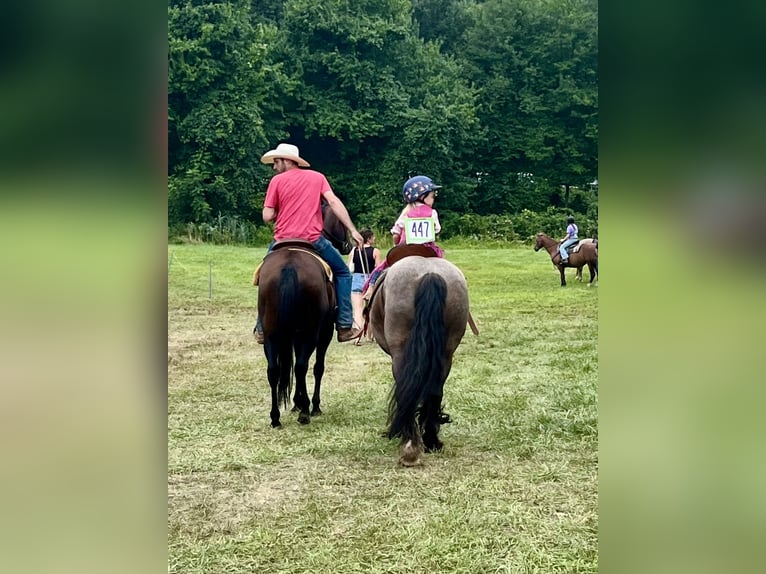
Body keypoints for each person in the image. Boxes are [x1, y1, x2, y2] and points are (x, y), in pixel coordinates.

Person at [254, 143, 364, 343]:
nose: (274, 166)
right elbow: (334, 203)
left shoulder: (276, 181)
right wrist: (352, 230)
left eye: (276, 161)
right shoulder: (318, 177)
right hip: (313, 241)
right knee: (343, 274)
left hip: (281, 240)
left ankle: (261, 327)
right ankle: (344, 325)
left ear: (288, 161)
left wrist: (280, 209)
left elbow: (267, 215)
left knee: (264, 276)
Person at [362, 175, 444, 294]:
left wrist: (397, 243)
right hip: (427, 249)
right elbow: (436, 229)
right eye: (432, 196)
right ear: (422, 197)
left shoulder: (406, 213)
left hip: (405, 248)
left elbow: (395, 234)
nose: (434, 199)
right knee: (442, 265)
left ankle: (370, 287)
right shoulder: (432, 213)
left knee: (380, 268)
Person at [347, 229, 382, 339]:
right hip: (369, 280)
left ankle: (357, 336)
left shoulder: (354, 250)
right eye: (373, 237)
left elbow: (348, 267)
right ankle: (370, 336)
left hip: (356, 279)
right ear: (369, 239)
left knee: (357, 309)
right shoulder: (375, 251)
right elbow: (378, 269)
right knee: (371, 309)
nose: (374, 239)